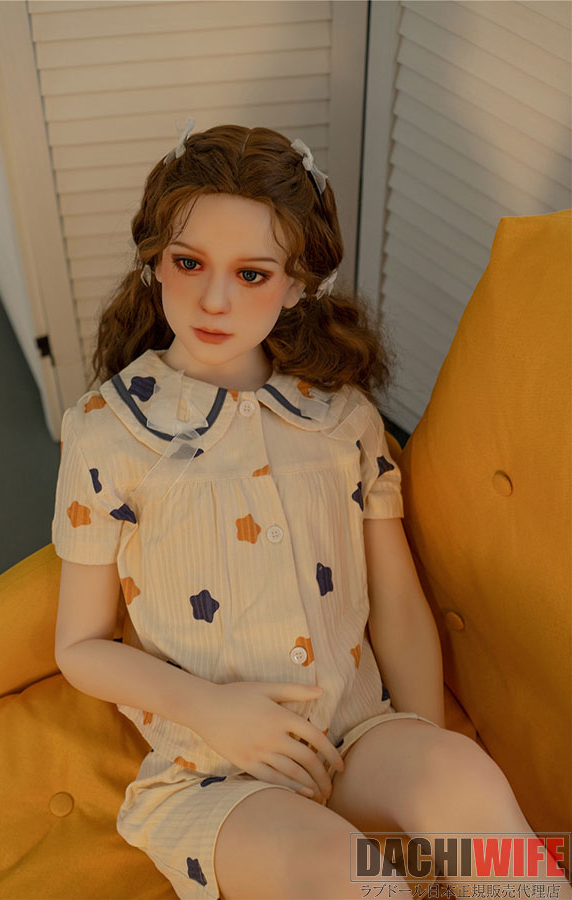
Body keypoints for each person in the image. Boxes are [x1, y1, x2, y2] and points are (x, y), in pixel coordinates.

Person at [52, 119, 570, 900]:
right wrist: (212, 711)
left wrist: (422, 750)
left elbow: (397, 602)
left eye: (252, 274)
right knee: (351, 878)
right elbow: (80, 645)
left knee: (468, 788)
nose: (215, 299)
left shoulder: (343, 419)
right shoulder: (107, 431)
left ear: (298, 284)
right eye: (189, 262)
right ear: (156, 260)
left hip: (357, 736)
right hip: (215, 772)